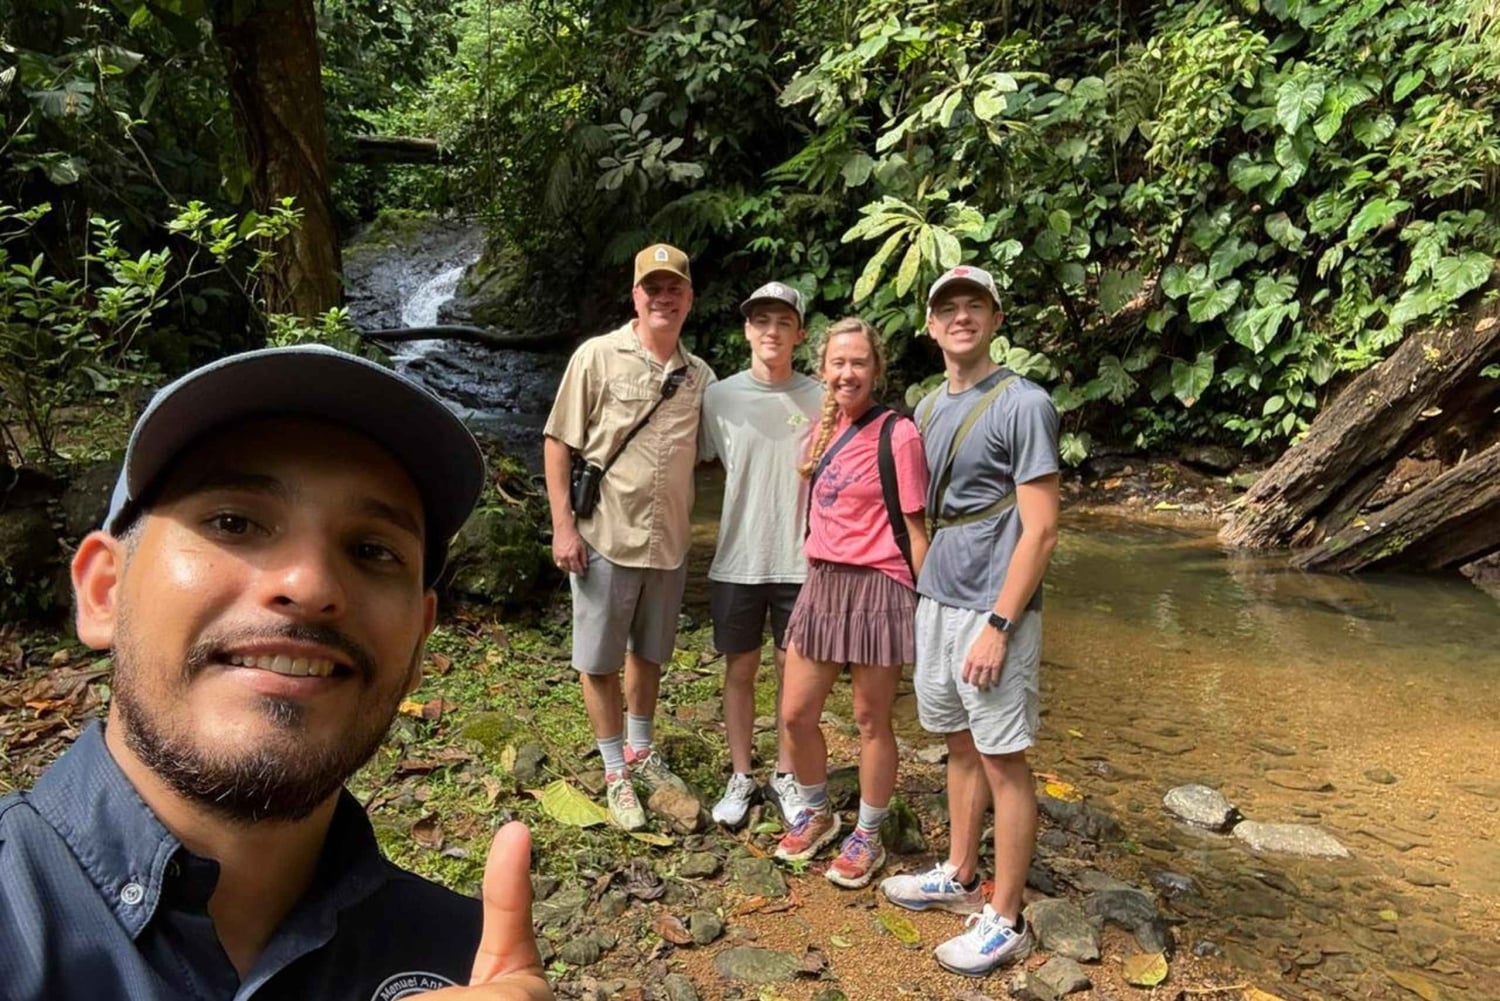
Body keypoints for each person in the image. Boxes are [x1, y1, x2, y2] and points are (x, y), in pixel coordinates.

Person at [0, 344, 551, 1001]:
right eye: (233, 521)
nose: (312, 584)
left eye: (372, 550)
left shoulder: (470, 962)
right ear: (102, 591)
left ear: (416, 648)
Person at [879, 265, 1060, 977]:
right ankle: (958, 873)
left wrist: (1000, 623)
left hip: (992, 606)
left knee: (1004, 757)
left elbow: (1041, 529)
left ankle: (1006, 915)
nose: (960, 316)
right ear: (930, 326)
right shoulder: (925, 408)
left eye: (973, 305)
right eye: (947, 307)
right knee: (958, 741)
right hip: (940, 598)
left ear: (994, 316)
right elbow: (923, 513)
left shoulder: (1024, 403)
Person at [542, 244, 715, 830]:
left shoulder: (700, 377)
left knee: (650, 652)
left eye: (675, 289)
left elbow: (733, 450)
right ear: (636, 297)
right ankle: (615, 768)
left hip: (668, 543)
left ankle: (642, 752)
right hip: (604, 536)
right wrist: (564, 526)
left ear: (689, 299)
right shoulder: (597, 357)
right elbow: (558, 441)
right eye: (653, 289)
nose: (663, 298)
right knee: (599, 658)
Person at [772, 317, 929, 890]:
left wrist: (927, 602)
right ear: (823, 369)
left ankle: (868, 831)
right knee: (794, 713)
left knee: (870, 719)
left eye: (858, 362)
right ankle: (817, 812)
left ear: (876, 370)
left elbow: (916, 528)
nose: (847, 372)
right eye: (838, 362)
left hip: (879, 587)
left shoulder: (899, 434)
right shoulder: (821, 431)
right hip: (823, 585)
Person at [698, 281, 824, 828]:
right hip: (736, 557)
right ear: (747, 330)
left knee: (792, 676)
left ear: (799, 333)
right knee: (740, 669)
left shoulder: (824, 398)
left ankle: (788, 776)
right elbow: (690, 464)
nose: (771, 332)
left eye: (782, 323)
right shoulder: (719, 398)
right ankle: (742, 774)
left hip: (803, 561)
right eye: (760, 321)